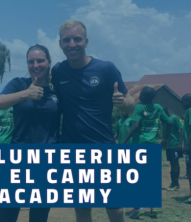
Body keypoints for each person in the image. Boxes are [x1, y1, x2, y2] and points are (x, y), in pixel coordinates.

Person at [51, 20, 135, 222]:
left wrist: (122, 102)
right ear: (60, 44)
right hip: (73, 151)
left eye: (77, 39)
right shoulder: (58, 71)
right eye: (67, 40)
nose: (72, 44)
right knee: (81, 209)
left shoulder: (106, 69)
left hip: (104, 147)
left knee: (115, 209)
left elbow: (131, 104)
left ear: (86, 42)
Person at [0, 44, 62, 222]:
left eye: (40, 60)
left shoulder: (57, 90)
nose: (35, 65)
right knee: (8, 213)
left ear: (49, 63)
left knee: (39, 214)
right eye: (31, 61)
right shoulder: (19, 84)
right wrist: (25, 94)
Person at [123, 86, 172, 219]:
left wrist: (124, 141)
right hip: (152, 146)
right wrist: (165, 139)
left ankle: (138, 208)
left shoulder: (139, 108)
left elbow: (136, 126)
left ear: (142, 97)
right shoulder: (158, 108)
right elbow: (169, 122)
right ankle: (154, 207)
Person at [162, 108, 183, 191]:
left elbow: (182, 129)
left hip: (175, 144)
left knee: (175, 163)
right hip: (168, 145)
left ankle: (175, 183)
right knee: (172, 163)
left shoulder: (174, 118)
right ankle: (173, 182)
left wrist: (180, 143)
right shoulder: (164, 121)